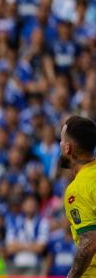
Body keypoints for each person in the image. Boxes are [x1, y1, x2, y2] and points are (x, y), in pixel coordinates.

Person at [58, 115, 96, 278]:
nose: (59, 145)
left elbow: (90, 241)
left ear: (68, 148)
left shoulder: (77, 189)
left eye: (61, 141)